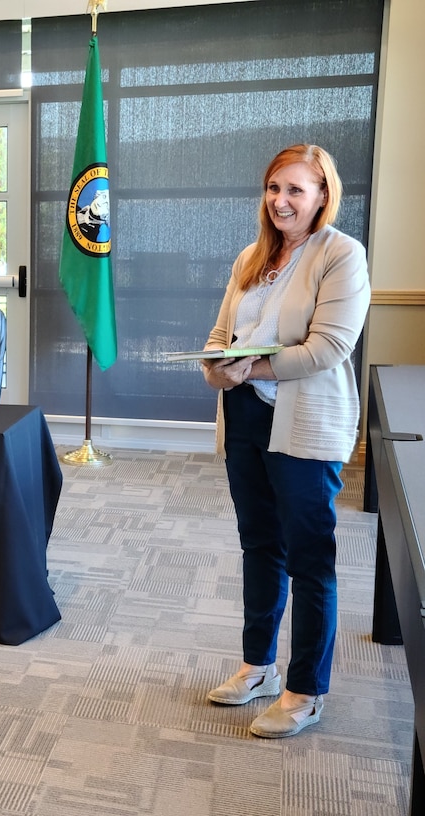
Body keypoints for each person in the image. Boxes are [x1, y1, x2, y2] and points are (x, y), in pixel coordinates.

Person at [201, 144, 370, 738]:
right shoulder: (251, 256)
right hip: (245, 417)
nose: (281, 201)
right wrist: (218, 365)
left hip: (304, 422)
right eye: (274, 188)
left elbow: (329, 347)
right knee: (260, 545)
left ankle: (306, 690)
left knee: (309, 560)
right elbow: (224, 332)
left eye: (296, 190)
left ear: (323, 194)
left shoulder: (341, 254)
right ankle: (259, 666)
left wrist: (252, 368)